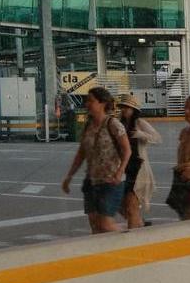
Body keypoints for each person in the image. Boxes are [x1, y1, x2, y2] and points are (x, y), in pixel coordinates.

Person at [61, 87, 132, 234]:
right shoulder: (88, 126)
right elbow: (81, 154)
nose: (87, 104)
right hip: (92, 181)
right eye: (87, 100)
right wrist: (69, 176)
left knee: (105, 225)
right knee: (95, 226)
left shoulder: (113, 124)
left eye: (91, 101)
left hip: (110, 180)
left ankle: (128, 238)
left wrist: (120, 171)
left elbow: (127, 150)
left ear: (102, 103)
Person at [116, 93, 162, 229]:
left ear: (133, 109)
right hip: (123, 168)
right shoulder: (119, 124)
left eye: (127, 107)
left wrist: (141, 134)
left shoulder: (139, 123)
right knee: (122, 205)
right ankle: (139, 222)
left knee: (132, 205)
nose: (124, 110)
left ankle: (134, 231)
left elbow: (157, 138)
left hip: (137, 167)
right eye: (123, 107)